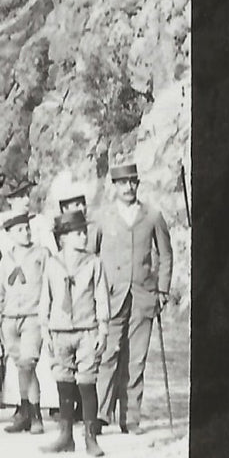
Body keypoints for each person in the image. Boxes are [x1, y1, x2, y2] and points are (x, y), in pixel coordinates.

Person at [90, 160, 173, 435]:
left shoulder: (152, 215)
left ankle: (131, 418)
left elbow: (165, 254)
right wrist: (93, 294)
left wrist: (162, 290)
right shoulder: (103, 217)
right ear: (114, 186)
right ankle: (100, 416)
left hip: (142, 295)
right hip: (111, 297)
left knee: (136, 359)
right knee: (108, 355)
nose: (128, 187)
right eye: (122, 183)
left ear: (138, 184)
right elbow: (91, 256)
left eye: (132, 182)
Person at [38, 210, 111, 456]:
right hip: (59, 331)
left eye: (84, 232)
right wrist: (44, 329)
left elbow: (101, 297)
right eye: (77, 233)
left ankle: (90, 437)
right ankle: (65, 436)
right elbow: (45, 298)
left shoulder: (94, 262)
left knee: (88, 381)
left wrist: (103, 327)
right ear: (63, 238)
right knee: (64, 381)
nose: (83, 237)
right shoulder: (52, 263)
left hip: (87, 329)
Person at [0, 211, 47, 435]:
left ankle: (35, 415)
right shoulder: (7, 259)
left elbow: (49, 284)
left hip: (32, 317)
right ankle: (24, 412)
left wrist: (46, 313)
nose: (25, 233)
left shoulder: (41, 254)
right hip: (10, 319)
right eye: (20, 230)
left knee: (28, 364)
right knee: (19, 367)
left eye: (27, 228)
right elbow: (0, 290)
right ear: (11, 235)